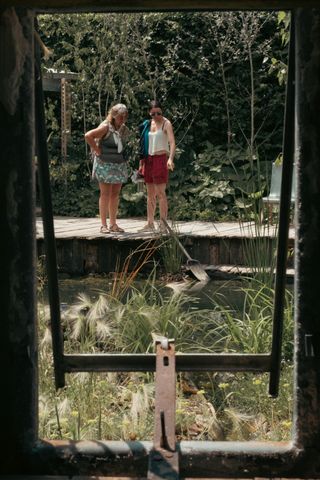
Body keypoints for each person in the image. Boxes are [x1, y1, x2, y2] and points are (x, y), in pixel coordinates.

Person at [85, 103, 129, 233]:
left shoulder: (123, 128)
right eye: (121, 116)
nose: (123, 119)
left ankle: (113, 224)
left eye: (125, 116)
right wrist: (97, 149)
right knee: (105, 194)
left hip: (118, 164)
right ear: (114, 116)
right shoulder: (105, 127)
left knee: (115, 194)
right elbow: (88, 136)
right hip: (104, 164)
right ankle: (103, 225)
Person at [138, 100, 176, 232]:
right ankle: (150, 223)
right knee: (150, 194)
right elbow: (143, 145)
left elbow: (172, 142)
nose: (156, 116)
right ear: (150, 113)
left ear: (162, 111)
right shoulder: (148, 124)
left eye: (158, 113)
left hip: (160, 159)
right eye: (153, 113)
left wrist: (170, 159)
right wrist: (141, 162)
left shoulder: (166, 123)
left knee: (160, 193)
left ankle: (163, 223)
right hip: (148, 159)